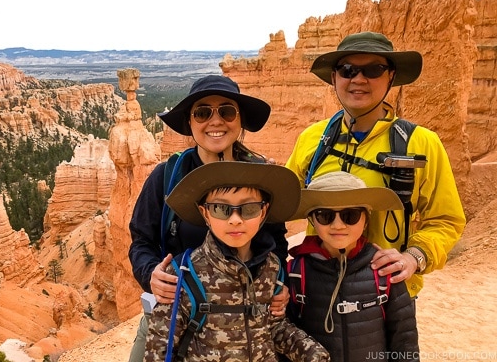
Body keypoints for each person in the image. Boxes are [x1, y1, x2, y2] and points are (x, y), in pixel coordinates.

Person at [285, 31, 466, 297]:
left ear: (391, 76)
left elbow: (445, 220)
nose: (358, 79)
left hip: (387, 295)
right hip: (316, 292)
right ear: (334, 77)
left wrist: (413, 257)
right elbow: (283, 207)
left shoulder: (422, 143)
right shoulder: (312, 139)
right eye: (347, 70)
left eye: (373, 69)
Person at [128, 75, 290, 361]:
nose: (216, 121)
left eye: (227, 111)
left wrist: (279, 283)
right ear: (190, 123)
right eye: (203, 112)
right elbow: (142, 240)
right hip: (180, 316)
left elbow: (276, 239)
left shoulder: (261, 176)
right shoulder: (166, 177)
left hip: (246, 320)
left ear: (240, 121)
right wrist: (150, 273)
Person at [144, 161, 330, 362]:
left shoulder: (272, 268)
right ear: (204, 212)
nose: (235, 219)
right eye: (220, 208)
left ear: (263, 212)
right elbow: (160, 350)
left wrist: (314, 354)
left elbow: (274, 327)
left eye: (248, 208)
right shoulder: (183, 275)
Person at [286, 171, 419, 362]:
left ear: (366, 220)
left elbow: (405, 341)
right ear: (312, 220)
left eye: (350, 215)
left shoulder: (385, 271)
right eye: (325, 215)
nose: (338, 225)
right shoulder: (296, 272)